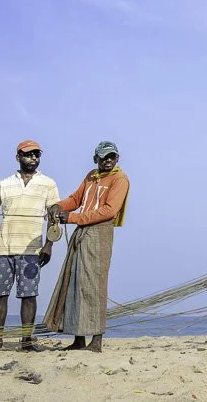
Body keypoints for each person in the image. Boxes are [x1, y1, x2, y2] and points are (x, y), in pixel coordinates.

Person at [45, 141, 130, 353]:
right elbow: (76, 198)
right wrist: (58, 206)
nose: (108, 160)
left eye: (112, 156)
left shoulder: (120, 179)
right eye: (104, 157)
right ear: (96, 159)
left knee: (94, 285)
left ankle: (97, 341)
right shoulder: (92, 175)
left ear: (117, 158)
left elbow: (109, 211)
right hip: (82, 230)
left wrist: (72, 218)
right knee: (75, 281)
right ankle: (78, 339)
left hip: (99, 232)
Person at [0, 139, 60, 352]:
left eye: (36, 154)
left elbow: (54, 218)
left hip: (32, 250)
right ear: (18, 157)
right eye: (28, 154)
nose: (33, 157)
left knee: (29, 295)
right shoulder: (4, 184)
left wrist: (49, 245)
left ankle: (27, 341)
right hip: (2, 248)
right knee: (0, 294)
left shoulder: (48, 183)